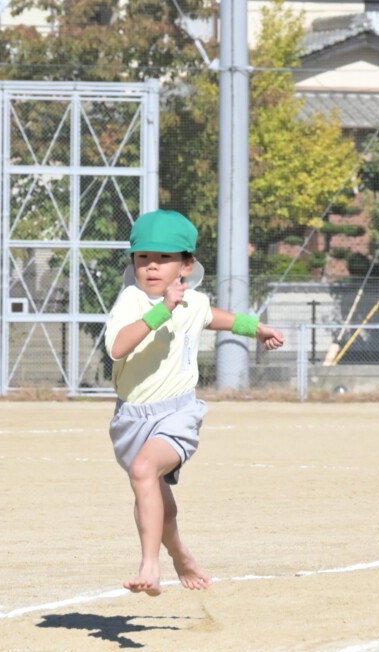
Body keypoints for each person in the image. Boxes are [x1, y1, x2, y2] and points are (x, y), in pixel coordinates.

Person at [105, 209, 286, 596]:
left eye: (164, 258)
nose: (152, 266)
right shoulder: (131, 301)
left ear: (186, 266)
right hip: (130, 418)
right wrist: (162, 310)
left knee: (143, 471)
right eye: (142, 258)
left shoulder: (193, 303)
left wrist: (257, 328)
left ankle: (149, 567)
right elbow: (118, 347)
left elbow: (214, 316)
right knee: (154, 496)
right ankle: (180, 555)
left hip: (177, 414)